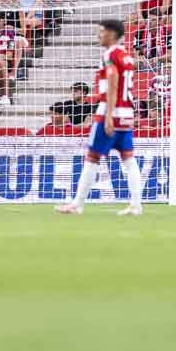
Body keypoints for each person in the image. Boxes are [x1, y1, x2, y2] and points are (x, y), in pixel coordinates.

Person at [56, 20, 142, 216]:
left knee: (92, 157)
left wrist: (109, 115)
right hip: (127, 113)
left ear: (112, 34)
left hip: (109, 111)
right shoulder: (127, 56)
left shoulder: (110, 54)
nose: (99, 35)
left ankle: (77, 204)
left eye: (102, 31)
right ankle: (136, 205)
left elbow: (112, 80)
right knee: (128, 159)